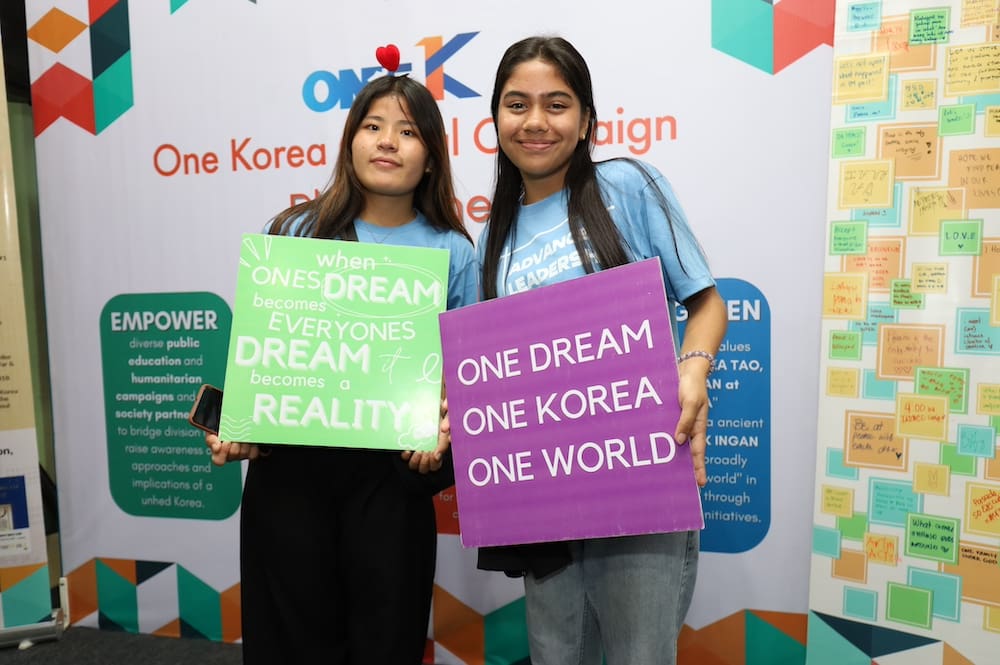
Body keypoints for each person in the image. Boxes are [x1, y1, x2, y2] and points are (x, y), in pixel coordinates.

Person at [205, 73, 477, 665]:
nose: (388, 142)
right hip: (290, 478)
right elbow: (262, 358)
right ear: (350, 141)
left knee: (386, 641)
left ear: (432, 157)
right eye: (373, 126)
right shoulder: (294, 231)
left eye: (408, 132)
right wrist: (241, 424)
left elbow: (465, 378)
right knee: (291, 642)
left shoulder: (454, 251)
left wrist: (443, 427)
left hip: (391, 484)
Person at [474, 36, 728, 665]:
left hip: (641, 475)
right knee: (557, 655)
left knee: (640, 654)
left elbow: (706, 304)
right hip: (542, 494)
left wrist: (693, 371)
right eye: (517, 104)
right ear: (496, 120)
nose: (535, 121)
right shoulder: (492, 235)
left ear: (587, 120)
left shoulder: (628, 186)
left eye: (557, 104)